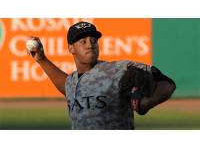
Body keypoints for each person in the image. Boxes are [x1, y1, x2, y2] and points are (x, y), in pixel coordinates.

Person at [27, 21, 176, 130]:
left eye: (93, 40)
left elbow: (167, 82)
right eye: (83, 41)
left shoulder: (118, 69)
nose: (90, 44)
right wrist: (42, 59)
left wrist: (148, 102)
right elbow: (67, 87)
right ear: (71, 48)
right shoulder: (72, 82)